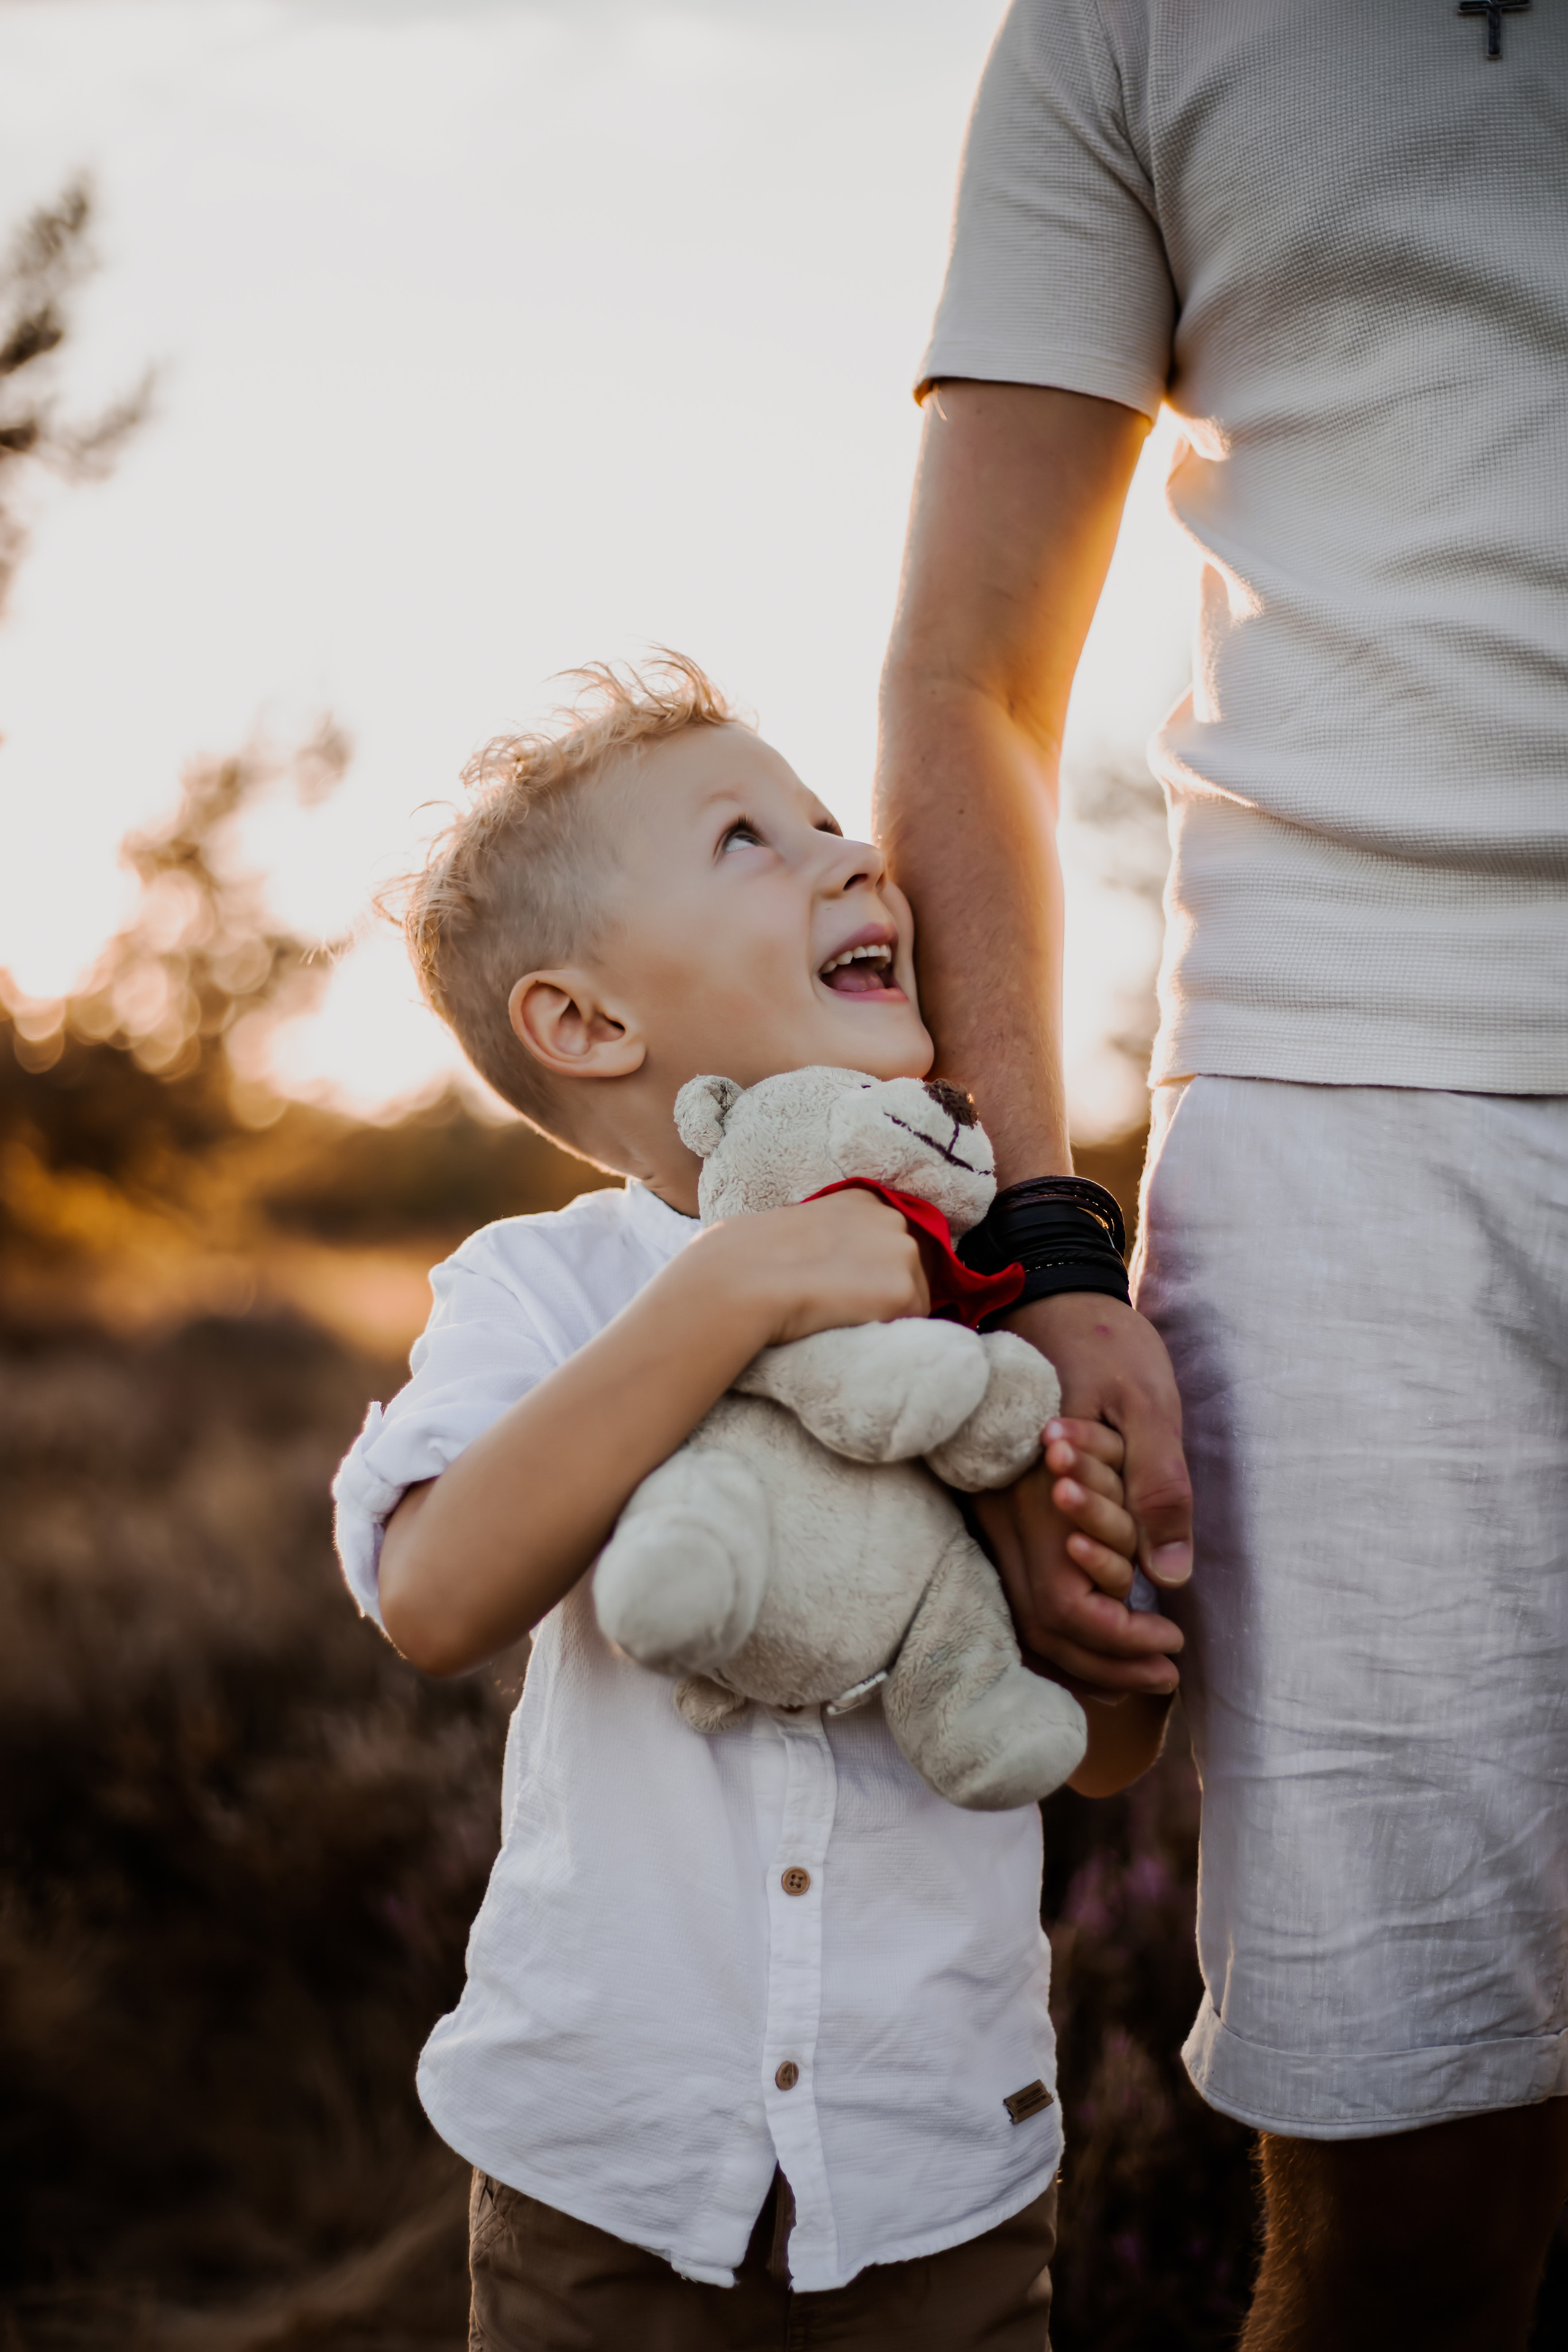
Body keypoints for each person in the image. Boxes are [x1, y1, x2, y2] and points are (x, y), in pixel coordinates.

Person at [874, 4, 1568, 2347]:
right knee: (1408, 2210)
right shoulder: (1127, 17)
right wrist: (1041, 1246)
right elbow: (971, 672)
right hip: (1359, 1142)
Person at [331, 655, 1177, 2352]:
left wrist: (1086, 1618)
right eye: (749, 840)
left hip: (939, 2187)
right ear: (586, 1023)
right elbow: (432, 1598)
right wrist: (741, 1293)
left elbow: (1102, 1751)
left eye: (827, 819)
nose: (856, 857)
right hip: (605, 2191)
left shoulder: (999, 1308)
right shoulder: (544, 1290)